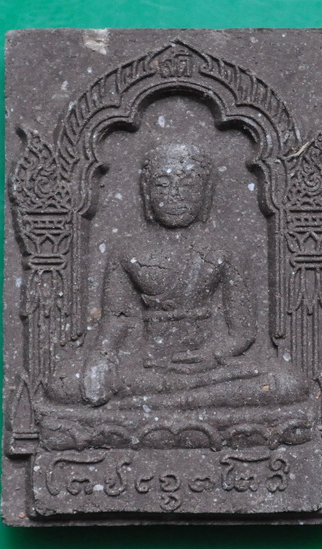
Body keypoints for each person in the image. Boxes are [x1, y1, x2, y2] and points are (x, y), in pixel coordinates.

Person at [82, 143, 307, 409]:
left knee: (290, 382)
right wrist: (102, 356)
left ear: (206, 192)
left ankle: (164, 402)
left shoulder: (224, 250)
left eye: (188, 186)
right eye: (162, 185)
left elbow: (243, 331)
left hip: (208, 367)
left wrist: (213, 355)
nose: (175, 196)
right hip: (145, 365)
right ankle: (182, 401)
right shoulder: (127, 251)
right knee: (63, 385)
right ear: (146, 191)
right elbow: (117, 320)